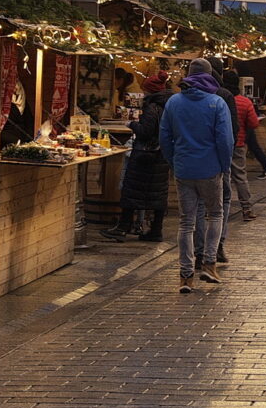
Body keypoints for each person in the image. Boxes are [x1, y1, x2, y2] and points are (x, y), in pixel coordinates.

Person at [160, 59, 234, 293]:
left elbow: (164, 137)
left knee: (186, 222)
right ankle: (209, 264)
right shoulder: (217, 103)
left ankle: (185, 275)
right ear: (210, 76)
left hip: (184, 168)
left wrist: (174, 162)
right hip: (211, 168)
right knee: (215, 214)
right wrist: (224, 166)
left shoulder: (174, 102)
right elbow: (225, 140)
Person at [100, 71, 173, 243]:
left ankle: (123, 227)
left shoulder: (151, 107)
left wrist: (131, 124)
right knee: (158, 194)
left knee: (131, 191)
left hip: (145, 155)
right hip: (160, 155)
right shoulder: (168, 106)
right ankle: (156, 230)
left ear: (150, 91)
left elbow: (146, 131)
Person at [197, 57, 238, 264]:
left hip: (191, 160)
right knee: (222, 202)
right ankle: (217, 245)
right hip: (217, 159)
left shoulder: (183, 97)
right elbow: (231, 131)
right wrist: (225, 159)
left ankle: (197, 251)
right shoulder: (223, 95)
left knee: (196, 208)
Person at [223, 70, 259, 222]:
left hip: (221, 144)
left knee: (221, 176)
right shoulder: (245, 102)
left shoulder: (220, 99)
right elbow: (253, 123)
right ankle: (247, 208)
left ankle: (215, 209)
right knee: (240, 176)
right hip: (238, 143)